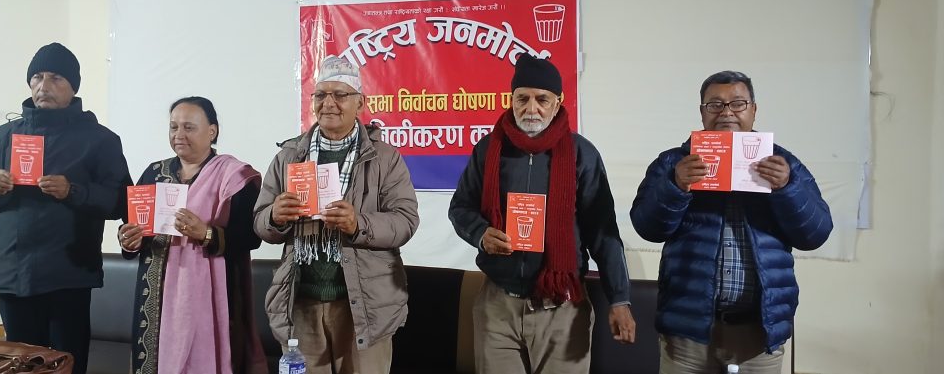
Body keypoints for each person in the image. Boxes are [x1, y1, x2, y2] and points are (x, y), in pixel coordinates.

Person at [630, 70, 833, 373]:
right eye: (715, 104)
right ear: (702, 112)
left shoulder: (784, 164)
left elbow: (815, 234)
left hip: (759, 332)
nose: (727, 112)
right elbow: (647, 228)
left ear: (754, 110)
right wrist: (675, 186)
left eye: (738, 103)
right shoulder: (674, 162)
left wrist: (787, 188)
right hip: (688, 333)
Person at [448, 53, 636, 374]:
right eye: (522, 98)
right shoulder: (489, 149)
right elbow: (460, 207)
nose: (531, 108)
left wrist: (620, 299)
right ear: (511, 99)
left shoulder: (581, 154)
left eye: (542, 99)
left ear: (558, 102)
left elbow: (603, 232)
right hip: (498, 307)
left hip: (562, 307)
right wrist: (480, 234)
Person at [0, 42, 131, 374]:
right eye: (37, 77)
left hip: (68, 275)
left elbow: (121, 201)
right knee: (19, 366)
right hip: (13, 273)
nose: (44, 86)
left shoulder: (100, 139)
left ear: (73, 87)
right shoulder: (4, 136)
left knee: (66, 364)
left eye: (56, 78)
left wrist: (73, 190)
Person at [254, 55, 419, 374]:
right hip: (300, 304)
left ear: (360, 103)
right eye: (321, 95)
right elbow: (260, 221)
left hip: (365, 307)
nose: (328, 103)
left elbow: (405, 221)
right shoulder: (289, 156)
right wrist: (274, 216)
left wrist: (359, 224)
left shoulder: (384, 158)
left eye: (340, 94)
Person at [117, 96, 267, 374]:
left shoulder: (234, 177)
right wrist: (129, 240)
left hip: (212, 298)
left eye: (189, 127)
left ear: (212, 131)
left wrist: (206, 233)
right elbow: (134, 226)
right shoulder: (154, 174)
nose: (179, 135)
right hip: (156, 298)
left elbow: (250, 237)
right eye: (173, 127)